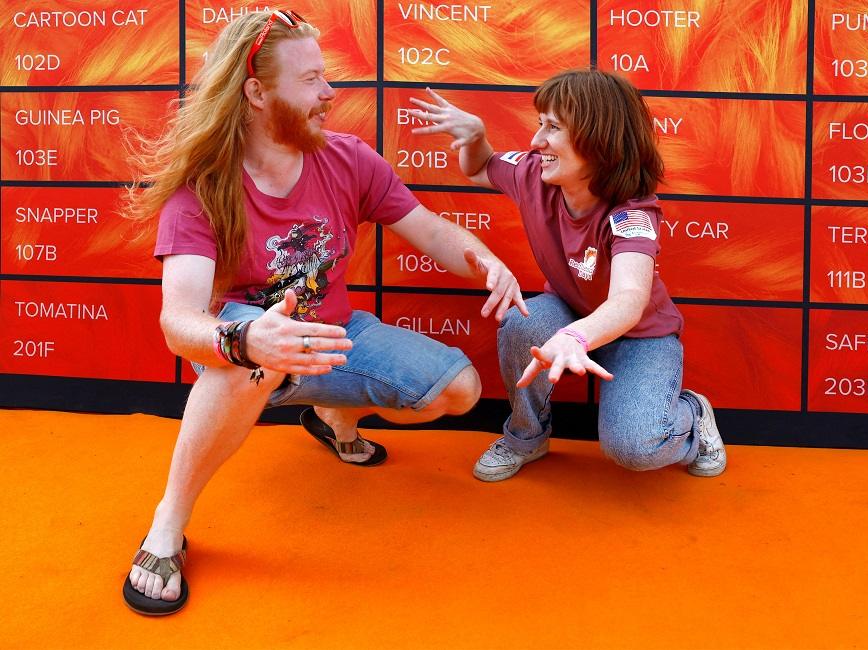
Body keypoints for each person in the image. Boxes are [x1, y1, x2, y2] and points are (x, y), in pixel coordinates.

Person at [121, 10, 526, 615]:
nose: (330, 93)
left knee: (459, 391)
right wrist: (247, 339)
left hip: (335, 335)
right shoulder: (203, 187)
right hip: (247, 352)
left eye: (325, 77)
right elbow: (178, 322)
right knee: (248, 359)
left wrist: (486, 261)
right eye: (311, 80)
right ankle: (168, 525)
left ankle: (334, 420)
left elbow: (433, 232)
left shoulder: (347, 158)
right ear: (257, 93)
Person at [407, 69, 726, 482]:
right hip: (569, 309)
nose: (536, 142)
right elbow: (481, 167)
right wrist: (475, 138)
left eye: (552, 128)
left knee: (636, 448)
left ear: (599, 141)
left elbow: (629, 300)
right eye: (540, 124)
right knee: (525, 320)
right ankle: (526, 437)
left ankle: (694, 413)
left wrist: (576, 336)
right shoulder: (533, 173)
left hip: (640, 336)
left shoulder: (632, 213)